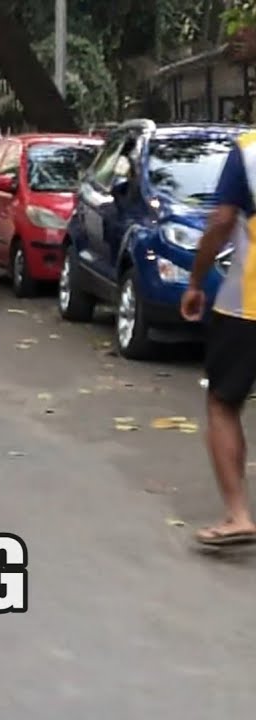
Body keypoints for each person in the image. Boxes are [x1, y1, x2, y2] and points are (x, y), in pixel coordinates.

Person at [181, 130, 256, 546]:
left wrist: (196, 280)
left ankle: (238, 514)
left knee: (223, 403)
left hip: (248, 303)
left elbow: (223, 220)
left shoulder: (248, 151)